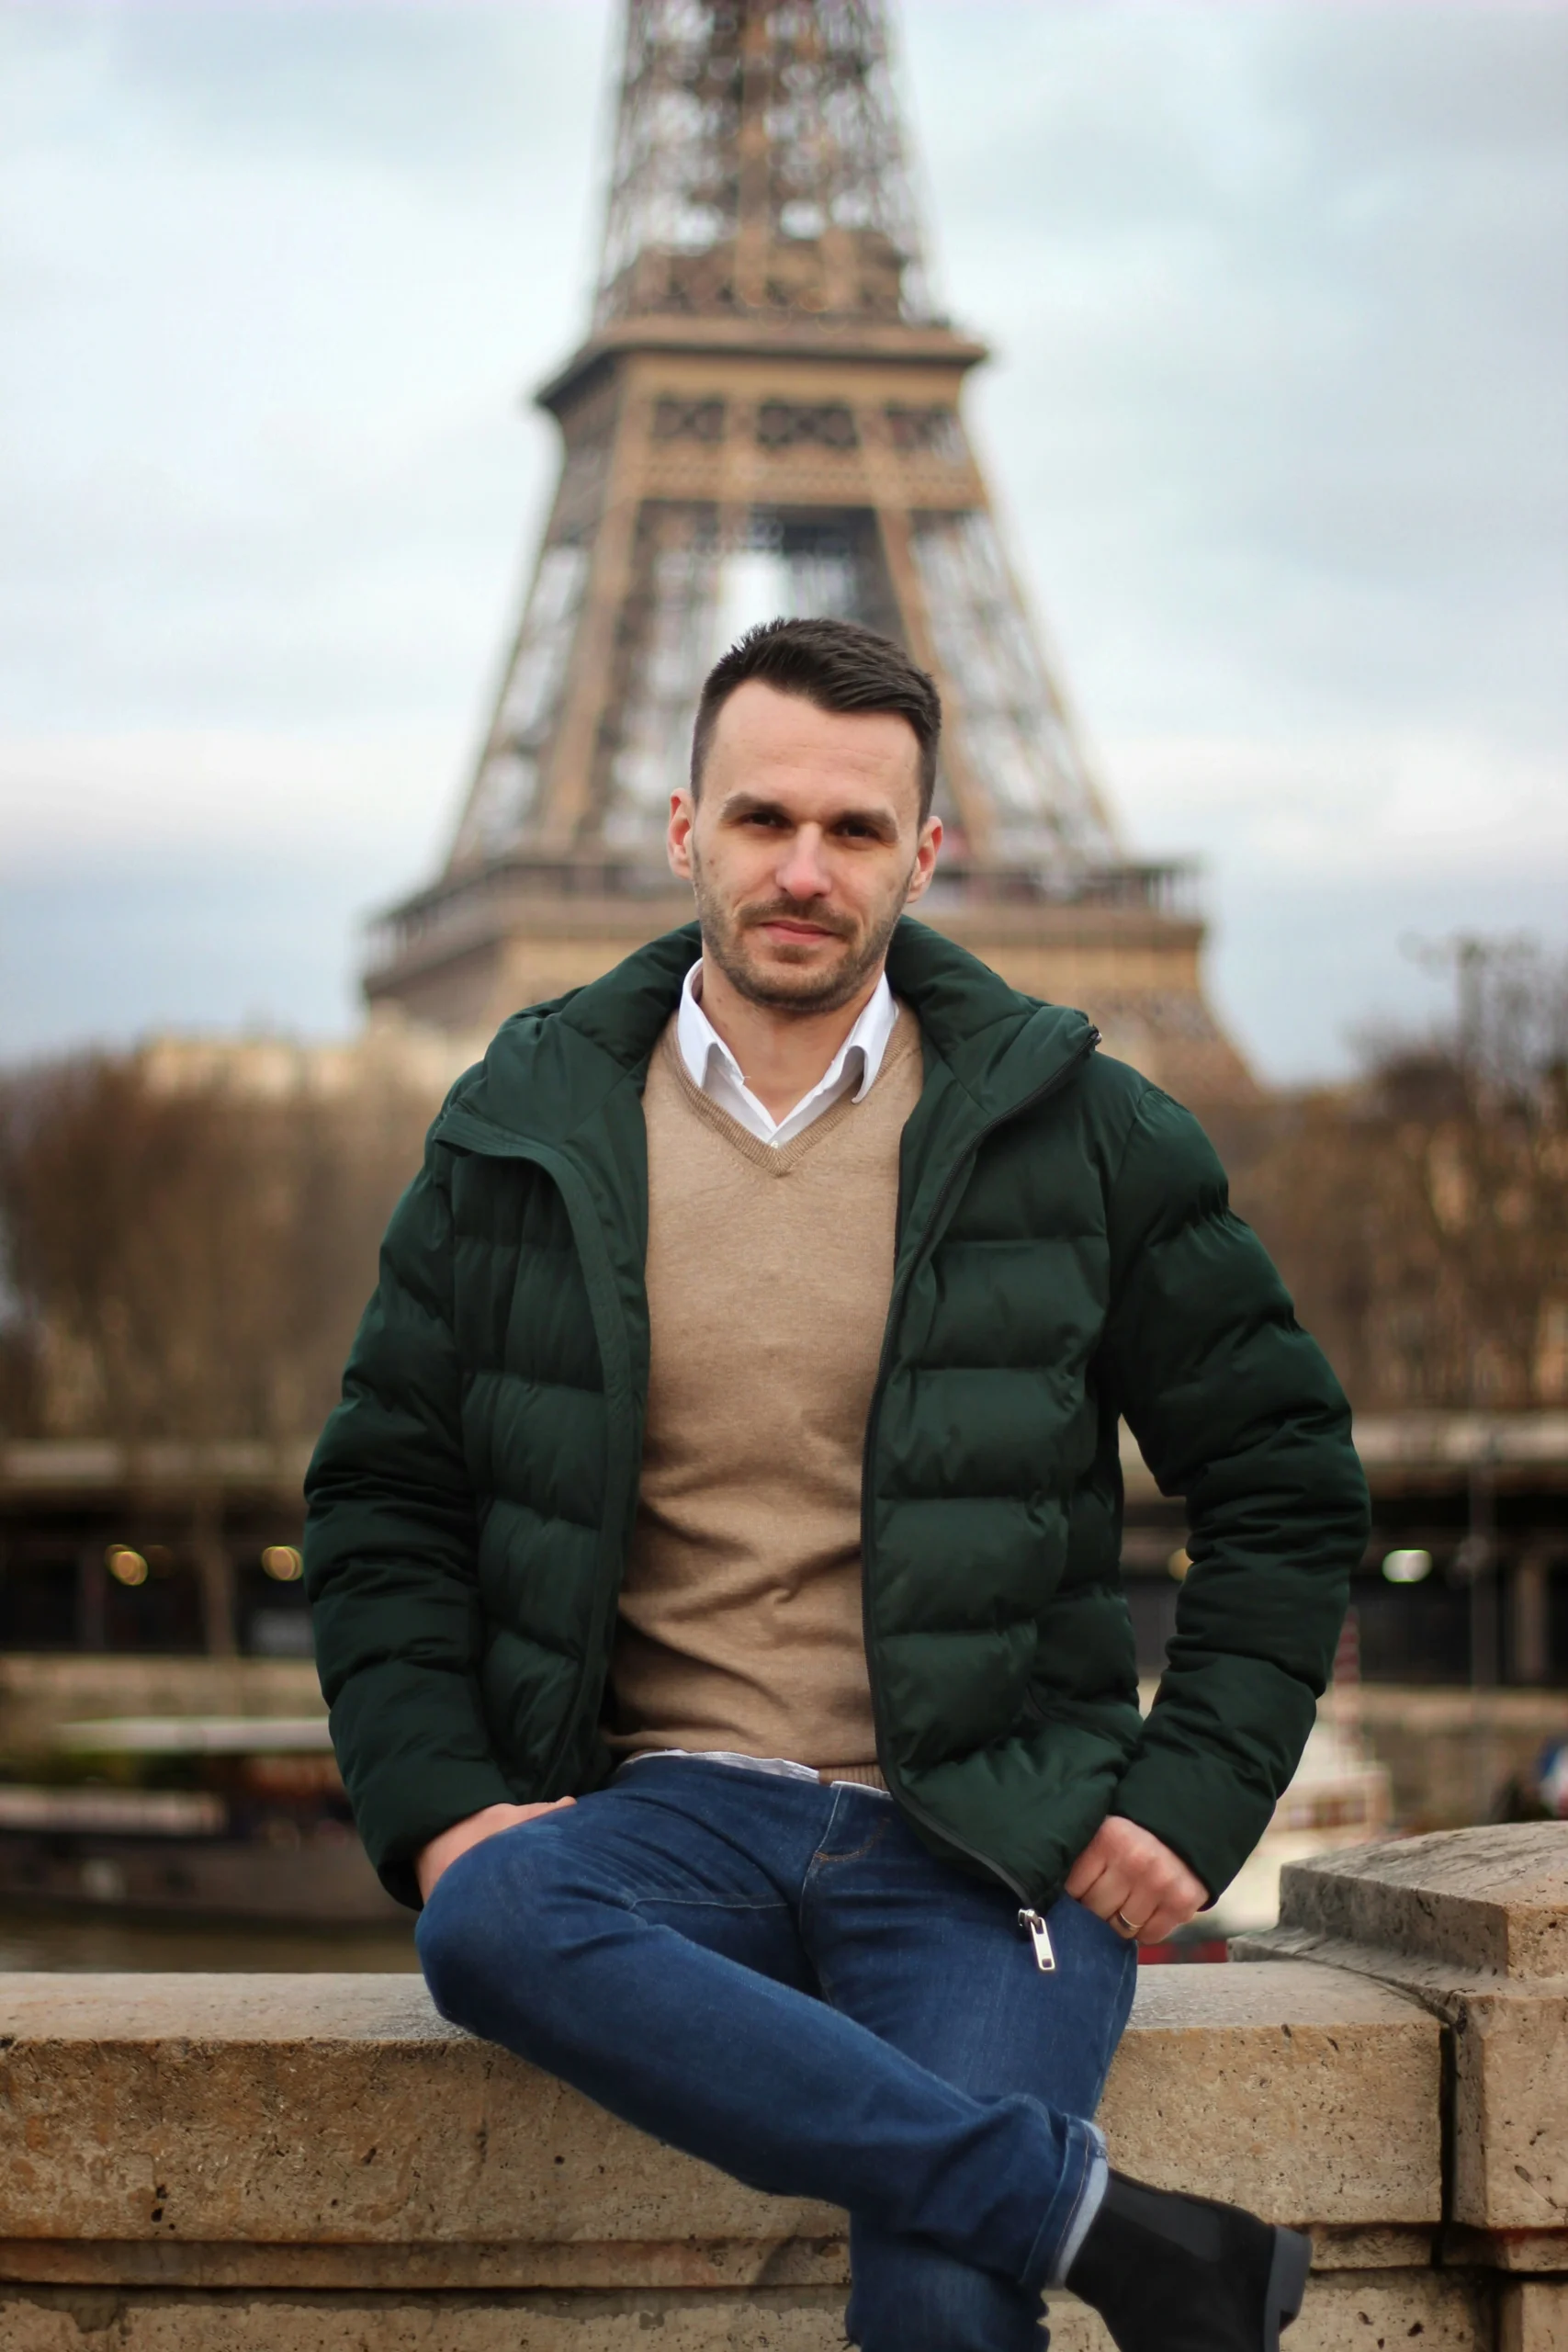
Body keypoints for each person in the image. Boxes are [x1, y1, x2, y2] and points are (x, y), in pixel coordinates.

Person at [304, 616, 1370, 2352]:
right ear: (681, 830)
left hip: (978, 1845)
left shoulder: (1087, 1130)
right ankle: (1099, 2223)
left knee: (945, 2311)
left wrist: (1187, 1802)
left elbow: (1281, 1474)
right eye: (762, 821)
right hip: (658, 1817)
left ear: (927, 854)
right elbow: (382, 1499)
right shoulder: (521, 1129)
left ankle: (1045, 2226)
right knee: (482, 1911)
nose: (804, 870)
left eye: (857, 831)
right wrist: (434, 1802)